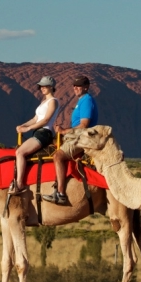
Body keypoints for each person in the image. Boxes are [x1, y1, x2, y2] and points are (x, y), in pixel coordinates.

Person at [44, 76, 98, 205]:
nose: (75, 88)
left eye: (78, 85)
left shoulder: (86, 100)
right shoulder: (81, 100)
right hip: (76, 135)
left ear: (86, 87)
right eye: (74, 85)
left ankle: (60, 194)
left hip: (82, 137)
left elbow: (84, 124)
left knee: (58, 156)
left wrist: (63, 131)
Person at [9, 76, 60, 195]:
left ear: (51, 87)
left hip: (44, 133)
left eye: (44, 86)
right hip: (37, 131)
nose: (42, 88)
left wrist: (28, 128)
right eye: (40, 86)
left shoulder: (53, 101)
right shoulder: (43, 102)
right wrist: (22, 126)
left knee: (20, 152)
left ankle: (20, 184)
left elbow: (46, 120)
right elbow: (35, 118)